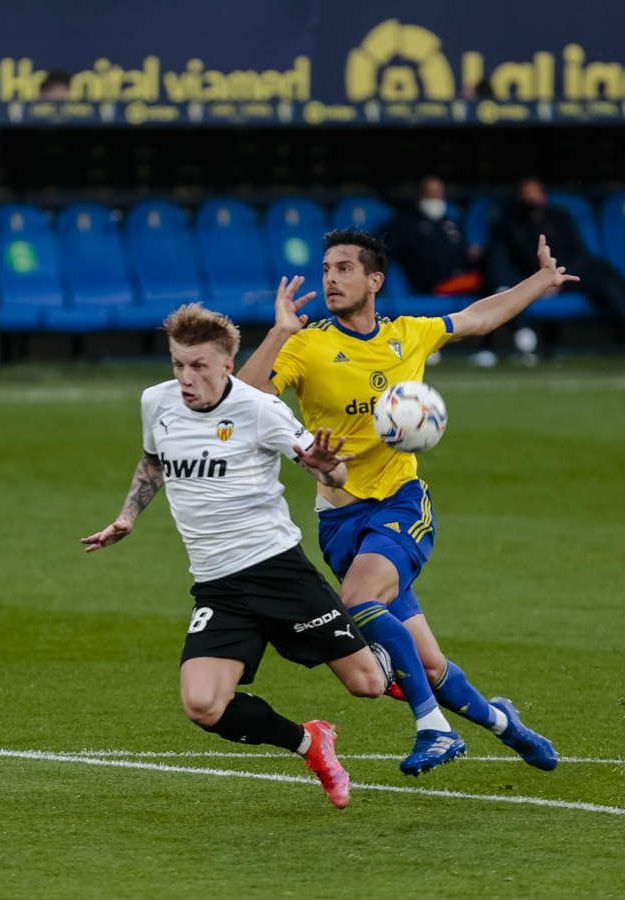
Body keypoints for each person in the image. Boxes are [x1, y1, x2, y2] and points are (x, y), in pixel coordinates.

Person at [237, 229, 566, 776]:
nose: (330, 279)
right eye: (325, 270)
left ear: (375, 281)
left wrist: (540, 280)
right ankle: (505, 723)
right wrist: (277, 334)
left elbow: (478, 317)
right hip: (340, 521)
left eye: (344, 268)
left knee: (357, 599)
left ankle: (432, 729)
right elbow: (243, 400)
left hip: (401, 503)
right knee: (428, 664)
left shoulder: (408, 335)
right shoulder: (307, 344)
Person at [82, 304, 384, 807]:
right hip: (218, 585)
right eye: (178, 364)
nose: (185, 377)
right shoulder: (155, 402)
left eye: (198, 365)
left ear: (228, 363)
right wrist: (128, 516)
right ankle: (312, 742)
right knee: (202, 705)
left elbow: (330, 473)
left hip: (279, 572)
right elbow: (154, 460)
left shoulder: (260, 409)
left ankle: (399, 655)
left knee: (368, 684)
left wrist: (328, 470)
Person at [487, 178, 625, 352]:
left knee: (619, 283)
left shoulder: (559, 216)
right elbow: (508, 262)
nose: (532, 199)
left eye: (536, 193)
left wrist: (562, 276)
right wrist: (545, 282)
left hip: (576, 270)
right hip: (548, 281)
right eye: (527, 194)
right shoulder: (510, 226)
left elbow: (580, 252)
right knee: (610, 288)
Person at [382, 176, 482, 295]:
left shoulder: (451, 222)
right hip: (425, 285)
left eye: (439, 194)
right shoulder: (403, 223)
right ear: (420, 195)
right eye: (430, 194)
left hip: (458, 280)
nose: (435, 199)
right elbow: (391, 254)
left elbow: (465, 253)